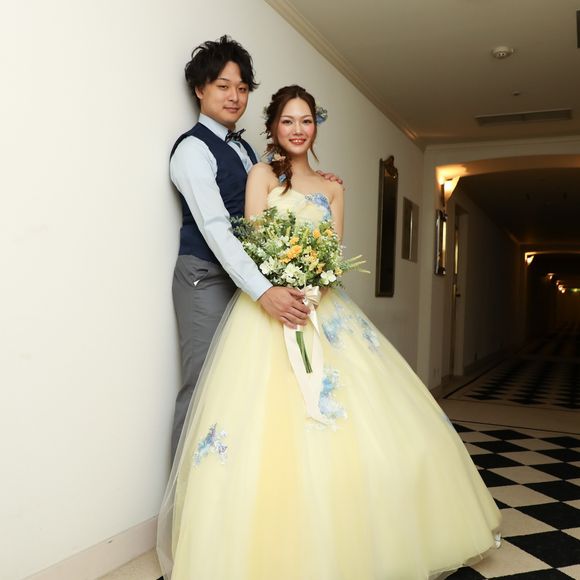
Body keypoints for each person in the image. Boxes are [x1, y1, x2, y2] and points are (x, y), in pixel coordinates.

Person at [157, 85, 501, 580]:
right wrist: (281, 283)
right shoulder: (259, 176)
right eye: (288, 121)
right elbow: (252, 241)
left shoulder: (334, 187)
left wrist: (314, 284)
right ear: (273, 128)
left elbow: (334, 256)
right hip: (269, 308)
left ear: (315, 127)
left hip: (323, 307)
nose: (297, 130)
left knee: (361, 428)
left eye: (306, 121)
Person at [169, 36, 312, 457]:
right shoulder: (192, 150)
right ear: (200, 89)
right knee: (204, 386)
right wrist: (264, 291)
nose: (234, 96)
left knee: (244, 385)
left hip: (242, 279)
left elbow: (272, 204)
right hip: (205, 277)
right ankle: (184, 493)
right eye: (223, 86)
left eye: (243, 88)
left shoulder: (245, 149)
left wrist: (318, 186)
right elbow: (215, 229)